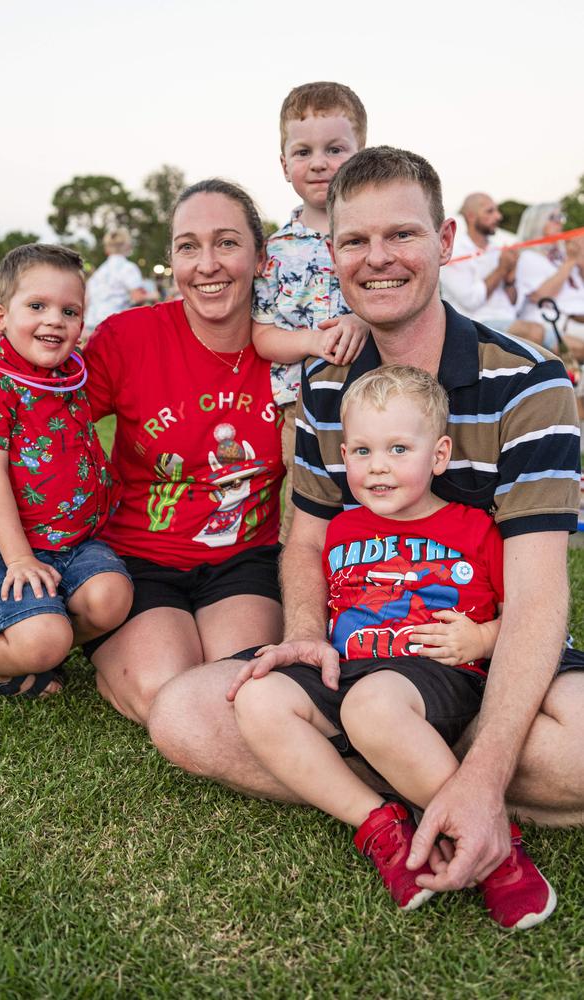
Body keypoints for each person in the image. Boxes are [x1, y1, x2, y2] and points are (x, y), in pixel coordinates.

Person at [147, 147, 584, 881]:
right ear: (332, 251)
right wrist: (309, 637)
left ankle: (426, 781)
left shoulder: (531, 387)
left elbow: (539, 591)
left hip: (482, 648)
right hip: (361, 657)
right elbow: (306, 539)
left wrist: (487, 763)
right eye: (355, 240)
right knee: (183, 713)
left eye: (402, 235)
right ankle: (423, 780)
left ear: (444, 243)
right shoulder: (327, 387)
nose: (377, 259)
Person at [233, 365, 556, 928]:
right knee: (257, 699)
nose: (376, 465)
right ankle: (381, 825)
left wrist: (479, 637)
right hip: (350, 667)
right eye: (361, 450)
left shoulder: (475, 528)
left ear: (438, 455)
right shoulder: (340, 530)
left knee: (373, 705)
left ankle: (496, 847)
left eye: (398, 448)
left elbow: (523, 616)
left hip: (434, 676)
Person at [0, 180, 285, 726]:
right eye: (188, 246)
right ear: (172, 262)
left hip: (242, 556)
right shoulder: (129, 338)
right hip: (136, 556)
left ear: (261, 259)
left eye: (227, 243)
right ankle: (33, 639)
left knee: (236, 686)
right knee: (166, 690)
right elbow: (37, 427)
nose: (207, 263)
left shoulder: (290, 350)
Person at [0, 244, 133, 698]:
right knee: (44, 640)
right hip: (25, 544)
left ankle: (46, 645)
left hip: (81, 542)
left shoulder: (71, 370)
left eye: (69, 310)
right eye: (37, 306)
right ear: (0, 317)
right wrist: (18, 558)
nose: (55, 319)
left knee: (113, 598)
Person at [252, 82, 369, 541]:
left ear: (361, 154)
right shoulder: (275, 251)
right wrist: (312, 342)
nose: (319, 162)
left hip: (379, 393)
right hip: (300, 408)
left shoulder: (374, 234)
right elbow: (263, 335)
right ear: (285, 165)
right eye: (303, 151)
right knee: (307, 508)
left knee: (383, 492)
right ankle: (299, 589)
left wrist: (363, 320)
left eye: (335, 149)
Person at [440, 193, 543, 343]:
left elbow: (514, 303)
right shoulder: (454, 251)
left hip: (510, 321)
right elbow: (470, 300)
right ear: (470, 216)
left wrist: (510, 278)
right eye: (490, 211)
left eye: (497, 210)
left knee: (568, 341)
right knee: (534, 332)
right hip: (476, 325)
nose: (498, 216)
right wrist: (501, 270)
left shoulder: (497, 250)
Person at [515, 204, 584, 361]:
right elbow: (541, 296)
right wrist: (571, 262)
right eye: (554, 218)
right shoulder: (528, 257)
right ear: (537, 223)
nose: (560, 222)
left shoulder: (561, 257)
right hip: (556, 324)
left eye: (561, 217)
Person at [84, 228, 150, 335]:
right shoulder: (128, 268)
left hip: (92, 324)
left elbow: (86, 300)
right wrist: (153, 296)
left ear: (107, 249)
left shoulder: (99, 272)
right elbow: (138, 297)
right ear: (128, 246)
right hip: (114, 325)